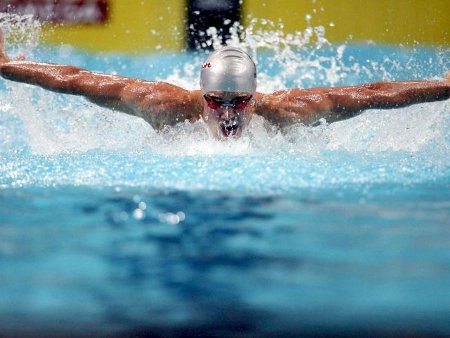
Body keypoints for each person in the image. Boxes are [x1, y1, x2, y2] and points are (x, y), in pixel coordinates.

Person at [0, 28, 449, 139]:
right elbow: (79, 79)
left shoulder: (291, 111)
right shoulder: (162, 103)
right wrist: (9, 67)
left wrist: (443, 85)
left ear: (256, 95)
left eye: (240, 101)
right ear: (201, 93)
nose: (229, 113)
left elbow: (373, 95)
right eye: (217, 102)